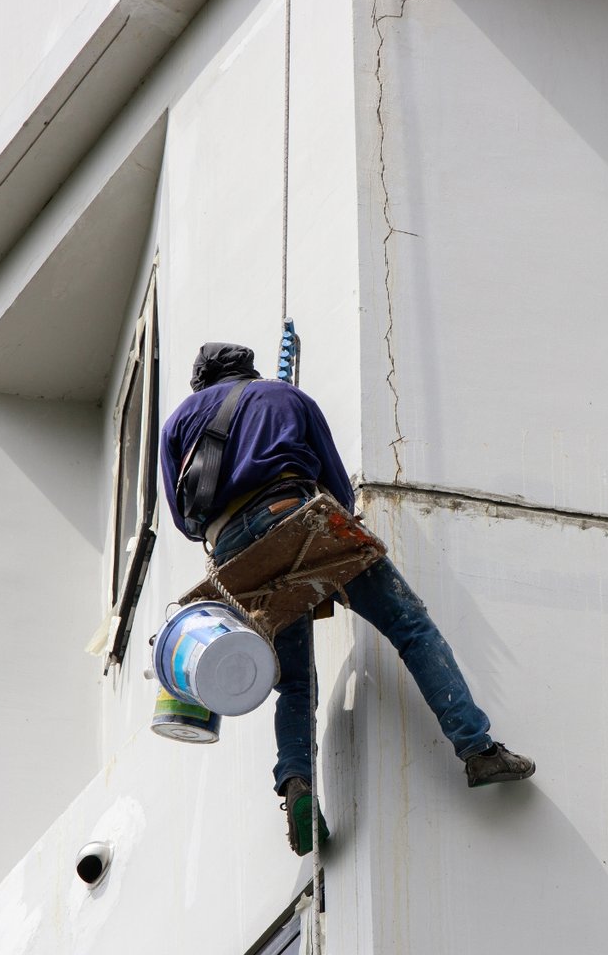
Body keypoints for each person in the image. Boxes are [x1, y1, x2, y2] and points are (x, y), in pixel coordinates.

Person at [161, 342, 536, 857]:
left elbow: (185, 522)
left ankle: (297, 785)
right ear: (249, 370)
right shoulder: (284, 396)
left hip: (235, 559)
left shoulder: (179, 422)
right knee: (410, 626)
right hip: (295, 514)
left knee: (293, 681)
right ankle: (477, 749)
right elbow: (338, 485)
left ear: (201, 384)